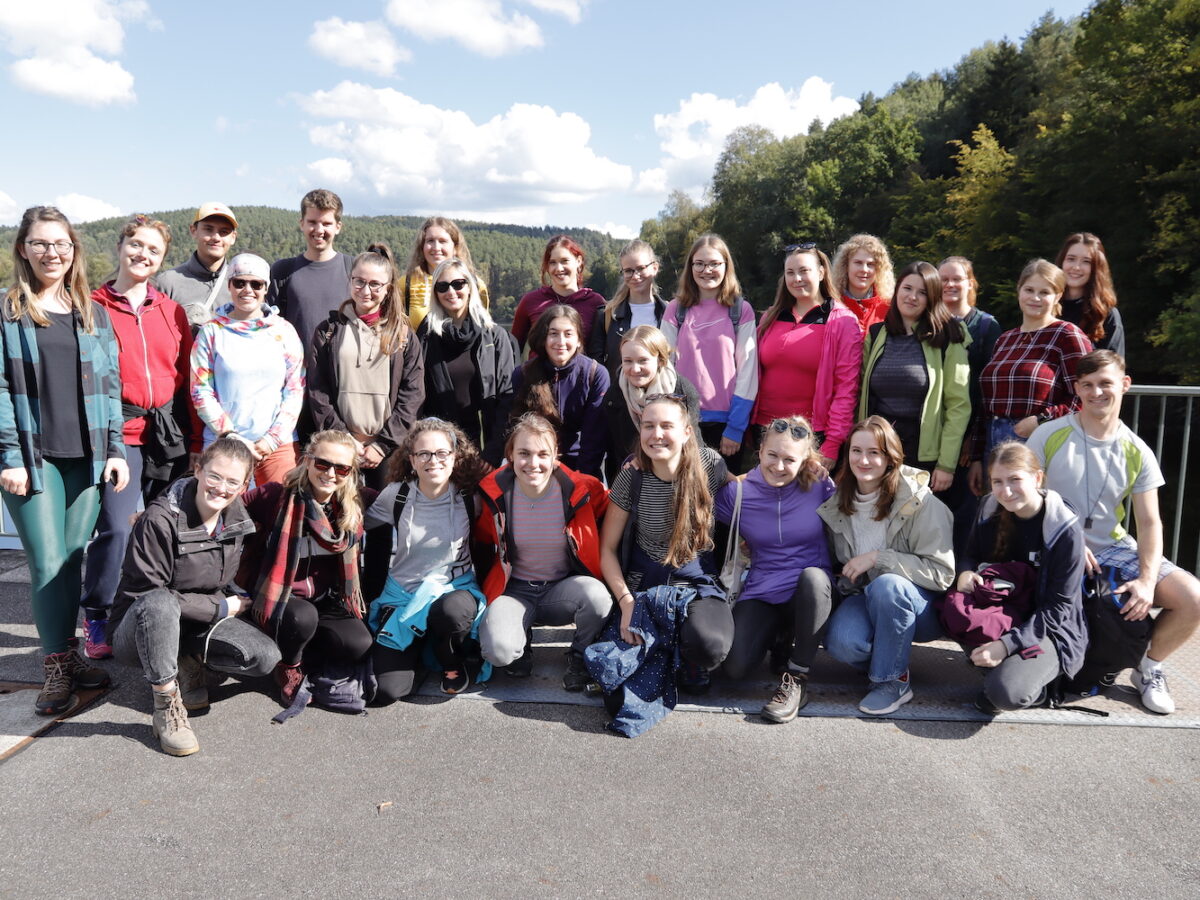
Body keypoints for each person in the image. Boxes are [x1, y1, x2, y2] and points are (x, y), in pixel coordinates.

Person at [1, 206, 129, 716]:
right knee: (48, 561)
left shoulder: (91, 312)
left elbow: (111, 387)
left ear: (73, 250)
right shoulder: (8, 312)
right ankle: (55, 666)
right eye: (40, 244)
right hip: (33, 458)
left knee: (73, 558)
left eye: (61, 244)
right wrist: (9, 455)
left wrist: (116, 450)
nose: (52, 253)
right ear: (23, 250)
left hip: (87, 457)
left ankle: (70, 657)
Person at [1027, 350, 1200, 715]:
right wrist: (1068, 542)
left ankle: (1148, 665)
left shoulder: (1137, 449)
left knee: (1192, 597)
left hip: (1112, 546)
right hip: (1054, 544)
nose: (1097, 393)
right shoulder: (1049, 435)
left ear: (1124, 385)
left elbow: (1151, 522)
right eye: (1087, 385)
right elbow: (1023, 502)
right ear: (1076, 388)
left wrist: (1148, 582)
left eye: (1105, 383)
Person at [109, 436, 281, 756]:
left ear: (244, 485)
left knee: (264, 656)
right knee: (160, 603)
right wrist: (220, 607)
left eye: (232, 481)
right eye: (214, 476)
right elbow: (149, 596)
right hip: (138, 629)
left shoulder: (235, 513)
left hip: (193, 618)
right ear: (198, 469)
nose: (221, 488)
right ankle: (166, 704)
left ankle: (186, 660)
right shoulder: (159, 520)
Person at [83, 215, 200, 660]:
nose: (143, 255)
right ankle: (97, 613)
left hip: (168, 432)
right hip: (120, 430)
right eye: (136, 245)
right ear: (120, 246)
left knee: (166, 524)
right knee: (114, 527)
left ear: (161, 259)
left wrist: (193, 439)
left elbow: (186, 375)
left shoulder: (169, 310)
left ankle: (160, 614)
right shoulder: (92, 305)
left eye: (153, 250)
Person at [306, 242, 425, 602]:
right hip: (341, 447)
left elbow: (412, 394)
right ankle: (336, 594)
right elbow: (318, 389)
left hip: (384, 450)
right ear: (350, 282)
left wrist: (381, 445)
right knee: (336, 519)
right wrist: (346, 442)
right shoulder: (328, 330)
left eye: (376, 284)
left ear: (389, 288)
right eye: (359, 282)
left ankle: (373, 597)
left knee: (382, 528)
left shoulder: (403, 335)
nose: (366, 291)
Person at [820, 416, 955, 715]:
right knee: (842, 644)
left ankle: (892, 681)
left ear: (890, 457)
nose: (863, 460)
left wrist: (879, 558)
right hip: (866, 597)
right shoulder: (837, 502)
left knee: (888, 583)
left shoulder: (920, 502)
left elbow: (942, 574)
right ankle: (891, 658)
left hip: (920, 605)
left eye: (874, 452)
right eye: (856, 451)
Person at [600, 393, 733, 693]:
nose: (656, 434)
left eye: (666, 426)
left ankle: (684, 653)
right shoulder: (630, 479)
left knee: (710, 646)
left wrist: (806, 470)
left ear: (687, 431)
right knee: (618, 684)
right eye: (648, 426)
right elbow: (607, 550)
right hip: (646, 584)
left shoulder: (709, 466)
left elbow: (751, 485)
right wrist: (626, 602)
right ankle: (666, 651)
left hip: (697, 582)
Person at [474, 413, 611, 690]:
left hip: (561, 590)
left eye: (542, 454)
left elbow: (612, 511)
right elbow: (480, 539)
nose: (533, 463)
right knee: (497, 652)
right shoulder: (493, 493)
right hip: (514, 591)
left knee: (598, 598)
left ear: (555, 456)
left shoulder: (582, 489)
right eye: (524, 453)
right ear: (510, 454)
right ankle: (520, 643)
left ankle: (581, 654)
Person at [239, 430, 373, 707]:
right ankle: (289, 665)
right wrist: (166, 510)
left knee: (358, 643)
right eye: (323, 463)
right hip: (281, 598)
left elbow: (405, 502)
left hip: (326, 599)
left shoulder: (354, 502)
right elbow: (225, 504)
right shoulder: (276, 495)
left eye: (342, 468)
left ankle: (297, 648)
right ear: (307, 461)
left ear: (350, 472)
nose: (331, 474)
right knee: (303, 617)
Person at [716, 416, 836, 723]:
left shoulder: (819, 485)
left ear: (806, 461)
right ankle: (780, 638)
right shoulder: (737, 493)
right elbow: (693, 494)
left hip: (809, 593)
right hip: (763, 588)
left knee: (813, 578)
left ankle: (797, 677)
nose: (779, 466)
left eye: (790, 459)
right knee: (735, 668)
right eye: (772, 455)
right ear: (759, 451)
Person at [365, 418, 492, 701]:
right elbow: (355, 523)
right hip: (403, 598)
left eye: (441, 453)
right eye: (423, 453)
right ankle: (422, 649)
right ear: (412, 460)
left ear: (455, 456)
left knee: (451, 612)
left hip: (453, 590)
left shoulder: (469, 498)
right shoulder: (395, 496)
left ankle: (451, 661)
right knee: (387, 691)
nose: (432, 460)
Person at [957, 442, 1087, 710]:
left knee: (1006, 694)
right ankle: (1002, 669)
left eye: (1015, 479)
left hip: (1051, 628)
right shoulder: (988, 507)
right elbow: (969, 553)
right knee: (951, 608)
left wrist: (1006, 645)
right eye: (997, 481)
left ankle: (1037, 686)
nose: (1005, 490)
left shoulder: (1065, 530)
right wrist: (966, 572)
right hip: (1006, 612)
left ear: (1037, 478)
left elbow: (1058, 609)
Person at [968, 259, 1092, 493]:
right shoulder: (1006, 339)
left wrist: (1041, 420)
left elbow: (1085, 396)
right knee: (997, 520)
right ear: (1019, 291)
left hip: (1038, 441)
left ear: (1057, 296)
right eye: (1029, 290)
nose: (1035, 298)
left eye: (1044, 292)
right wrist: (976, 457)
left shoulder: (1066, 334)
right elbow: (986, 406)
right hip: (993, 444)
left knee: (1034, 517)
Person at [190, 253, 305, 487]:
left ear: (266, 288)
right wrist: (230, 436)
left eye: (256, 284)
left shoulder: (284, 332)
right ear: (230, 285)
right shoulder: (211, 333)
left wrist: (270, 441)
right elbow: (200, 390)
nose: (248, 290)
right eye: (240, 283)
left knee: (278, 517)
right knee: (224, 518)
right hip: (223, 445)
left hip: (276, 448)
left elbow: (295, 390)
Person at [859, 261, 971, 490]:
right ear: (897, 289)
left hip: (922, 454)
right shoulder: (876, 333)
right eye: (907, 288)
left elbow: (958, 405)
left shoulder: (949, 335)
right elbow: (860, 390)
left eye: (922, 292)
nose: (912, 297)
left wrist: (946, 464)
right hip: (876, 450)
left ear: (932, 298)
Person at [754, 243, 863, 469]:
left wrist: (832, 444)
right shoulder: (770, 318)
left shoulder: (842, 321)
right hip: (764, 432)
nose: (797, 279)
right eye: (790, 273)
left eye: (804, 271)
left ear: (822, 273)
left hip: (810, 437)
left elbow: (846, 388)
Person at [660, 233, 757, 472]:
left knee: (725, 500)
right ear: (690, 267)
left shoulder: (740, 310)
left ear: (726, 267)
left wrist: (735, 427)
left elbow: (748, 372)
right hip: (683, 420)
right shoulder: (675, 309)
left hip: (727, 425)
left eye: (714, 264)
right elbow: (663, 367)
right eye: (700, 264)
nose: (707, 270)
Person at [416, 257, 516, 464]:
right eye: (442, 286)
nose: (451, 292)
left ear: (470, 287)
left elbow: (507, 398)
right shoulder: (426, 336)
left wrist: (493, 452)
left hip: (487, 444)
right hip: (439, 448)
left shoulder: (495, 335)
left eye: (458, 284)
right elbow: (418, 394)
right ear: (435, 293)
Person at [938, 256, 1002, 546]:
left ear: (970, 284)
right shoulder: (928, 324)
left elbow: (988, 391)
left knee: (966, 513)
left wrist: (973, 444)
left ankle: (961, 579)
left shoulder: (987, 327)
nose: (950, 285)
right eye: (943, 279)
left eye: (957, 279)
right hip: (931, 435)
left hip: (968, 439)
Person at [509, 305, 609, 479]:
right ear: (543, 338)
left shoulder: (595, 374)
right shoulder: (523, 374)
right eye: (553, 333)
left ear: (579, 339)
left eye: (568, 334)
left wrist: (581, 479)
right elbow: (516, 430)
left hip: (580, 466)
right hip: (535, 467)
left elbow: (594, 438)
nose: (561, 342)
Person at [268, 189, 352, 390]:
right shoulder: (283, 271)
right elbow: (269, 328)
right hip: (294, 383)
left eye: (326, 223)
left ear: (338, 227)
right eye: (312, 222)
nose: (319, 229)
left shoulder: (353, 269)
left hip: (342, 381)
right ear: (302, 224)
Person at [601, 325, 700, 484]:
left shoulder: (683, 391)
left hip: (676, 478)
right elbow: (612, 450)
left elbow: (693, 445)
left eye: (643, 360)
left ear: (660, 360)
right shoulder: (615, 396)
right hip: (631, 481)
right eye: (628, 361)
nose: (635, 369)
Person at [511, 235, 606, 352]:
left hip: (581, 370)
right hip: (537, 370)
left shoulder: (596, 303)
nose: (559, 268)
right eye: (552, 262)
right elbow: (512, 351)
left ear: (578, 261)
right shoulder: (531, 301)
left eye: (564, 261)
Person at [587, 239, 667, 378]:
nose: (635, 276)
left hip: (662, 395)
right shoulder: (606, 316)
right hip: (619, 396)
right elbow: (596, 368)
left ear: (654, 268)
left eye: (641, 268)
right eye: (629, 271)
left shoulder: (670, 313)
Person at [156, 202, 238, 329]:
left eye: (224, 232)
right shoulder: (168, 282)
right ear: (194, 231)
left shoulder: (242, 285)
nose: (216, 237)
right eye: (208, 229)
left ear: (233, 237)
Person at [400, 216, 491, 330]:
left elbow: (485, 328)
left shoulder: (475, 284)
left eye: (443, 241)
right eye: (430, 241)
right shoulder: (405, 284)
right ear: (421, 247)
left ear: (455, 247)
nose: (436, 247)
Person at [1054, 232, 1125, 356]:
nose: (1076, 267)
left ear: (1096, 269)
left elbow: (1113, 370)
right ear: (1062, 262)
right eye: (1071, 259)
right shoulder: (1045, 307)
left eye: (1086, 261)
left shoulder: (1105, 315)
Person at [830, 233, 895, 331]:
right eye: (858, 263)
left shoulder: (890, 309)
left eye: (870, 264)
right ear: (846, 266)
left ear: (879, 269)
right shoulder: (830, 306)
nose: (864, 269)